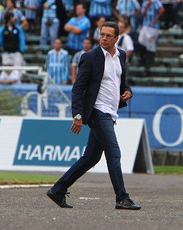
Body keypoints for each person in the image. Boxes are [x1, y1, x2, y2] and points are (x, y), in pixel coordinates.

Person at [46, 21, 141, 210]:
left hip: (111, 112)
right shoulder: (90, 57)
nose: (103, 38)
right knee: (114, 153)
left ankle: (58, 189)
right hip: (98, 111)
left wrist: (128, 91)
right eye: (102, 34)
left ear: (117, 38)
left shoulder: (121, 55)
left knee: (91, 158)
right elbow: (78, 87)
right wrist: (78, 114)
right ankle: (122, 198)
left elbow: (120, 80)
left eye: (108, 35)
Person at [138, 0, 164, 75]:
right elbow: (143, 14)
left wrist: (155, 19)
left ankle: (148, 65)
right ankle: (143, 60)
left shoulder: (156, 1)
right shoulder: (144, 3)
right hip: (145, 26)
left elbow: (162, 10)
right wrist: (147, 6)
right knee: (141, 41)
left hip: (153, 27)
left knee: (150, 44)